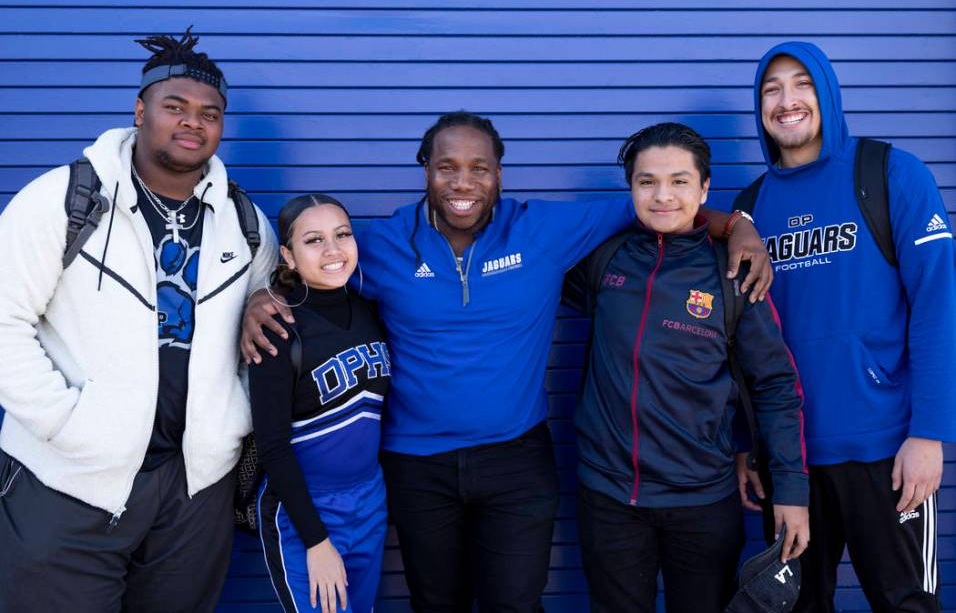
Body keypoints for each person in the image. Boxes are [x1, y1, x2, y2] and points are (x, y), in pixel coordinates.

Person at [242, 110, 774, 613]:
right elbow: (316, 266)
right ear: (425, 169)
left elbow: (660, 205)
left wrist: (739, 225)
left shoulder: (541, 229)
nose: (463, 183)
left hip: (517, 460)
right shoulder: (380, 244)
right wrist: (262, 296)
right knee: (436, 603)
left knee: (515, 603)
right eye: (447, 167)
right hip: (417, 464)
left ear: (500, 174)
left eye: (480, 168)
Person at [0, 28, 277, 612]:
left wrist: (235, 420)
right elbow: (4, 321)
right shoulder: (63, 200)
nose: (192, 122)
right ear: (139, 110)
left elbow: (272, 320)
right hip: (70, 478)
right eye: (174, 106)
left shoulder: (245, 222)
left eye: (209, 113)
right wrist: (66, 424)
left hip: (194, 485)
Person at [735, 41, 956, 613]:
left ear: (828, 93)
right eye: (771, 89)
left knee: (907, 604)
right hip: (791, 462)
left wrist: (930, 431)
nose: (787, 101)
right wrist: (744, 445)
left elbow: (938, 305)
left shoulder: (889, 173)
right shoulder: (750, 208)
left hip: (888, 450)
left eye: (802, 84)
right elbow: (736, 341)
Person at [563, 122, 809, 613]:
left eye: (679, 181)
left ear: (704, 188)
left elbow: (776, 385)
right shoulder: (601, 257)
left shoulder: (735, 271)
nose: (662, 196)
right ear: (630, 189)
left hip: (702, 501)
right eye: (646, 182)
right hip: (610, 499)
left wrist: (792, 491)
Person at [251, 194, 389, 613]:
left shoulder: (372, 310)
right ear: (288, 256)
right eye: (314, 240)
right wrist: (316, 540)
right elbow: (272, 447)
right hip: (305, 511)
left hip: (370, 501)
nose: (333, 250)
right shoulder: (277, 326)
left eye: (342, 234)